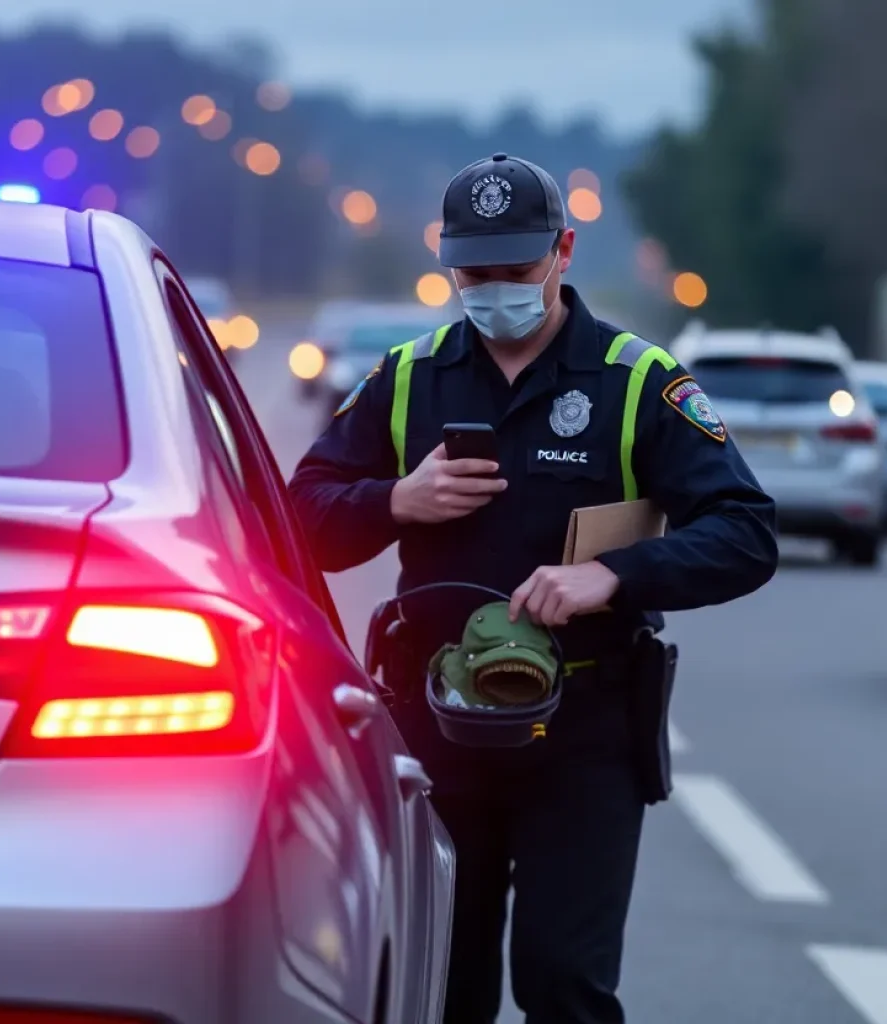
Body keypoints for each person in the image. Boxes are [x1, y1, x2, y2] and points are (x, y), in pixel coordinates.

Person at [288, 152, 778, 1024]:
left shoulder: (635, 381)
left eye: (517, 270)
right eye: (473, 273)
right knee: (441, 984)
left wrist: (614, 576)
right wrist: (396, 500)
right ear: (446, 261)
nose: (494, 290)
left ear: (564, 249)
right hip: (437, 727)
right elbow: (299, 520)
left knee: (564, 985)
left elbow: (746, 532)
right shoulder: (409, 377)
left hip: (584, 732)